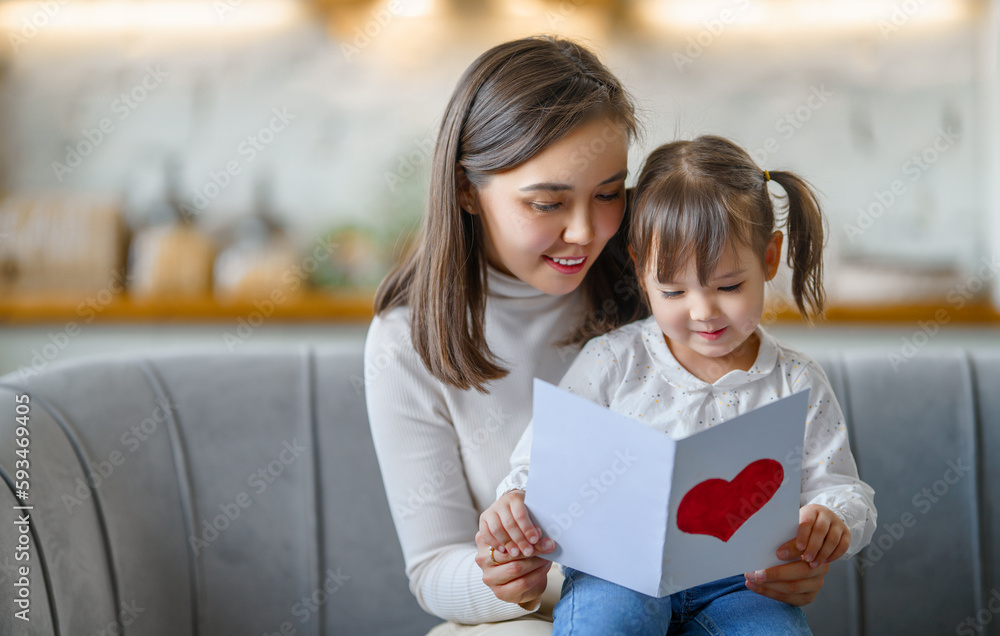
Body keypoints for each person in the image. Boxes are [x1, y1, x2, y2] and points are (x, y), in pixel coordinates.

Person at [366, 35, 837, 633]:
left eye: (609, 194)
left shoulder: (665, 287)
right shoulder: (405, 342)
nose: (587, 233)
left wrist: (794, 560)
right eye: (547, 204)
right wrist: (503, 578)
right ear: (467, 189)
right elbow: (433, 568)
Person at [479, 136, 877, 635]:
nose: (703, 311)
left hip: (743, 583)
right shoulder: (610, 361)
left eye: (729, 286)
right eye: (673, 290)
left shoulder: (796, 381)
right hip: (617, 573)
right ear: (641, 272)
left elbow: (843, 488)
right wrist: (514, 502)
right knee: (605, 623)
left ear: (770, 257)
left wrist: (829, 519)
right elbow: (541, 463)